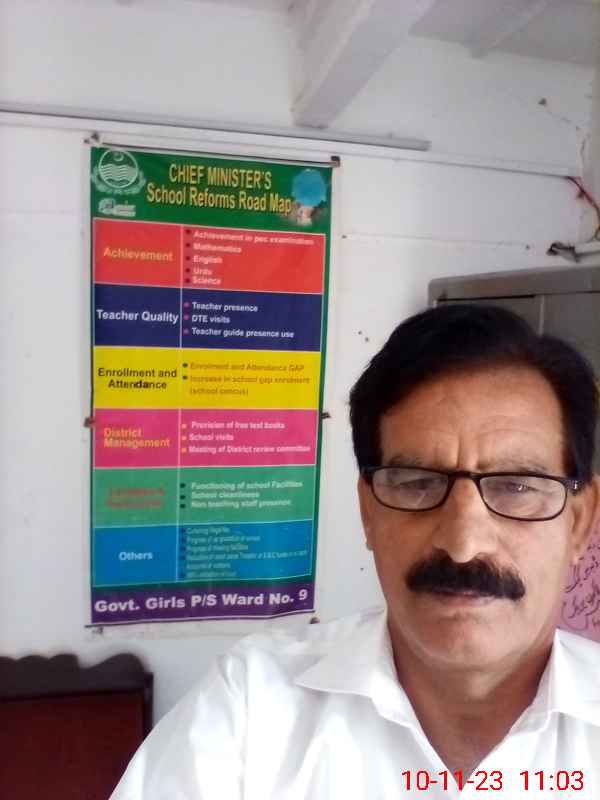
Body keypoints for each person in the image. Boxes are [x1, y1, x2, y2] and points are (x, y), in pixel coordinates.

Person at [110, 304, 600, 799]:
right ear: (368, 512)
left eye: (516, 487)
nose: (462, 544)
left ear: (579, 522)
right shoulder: (253, 707)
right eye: (417, 483)